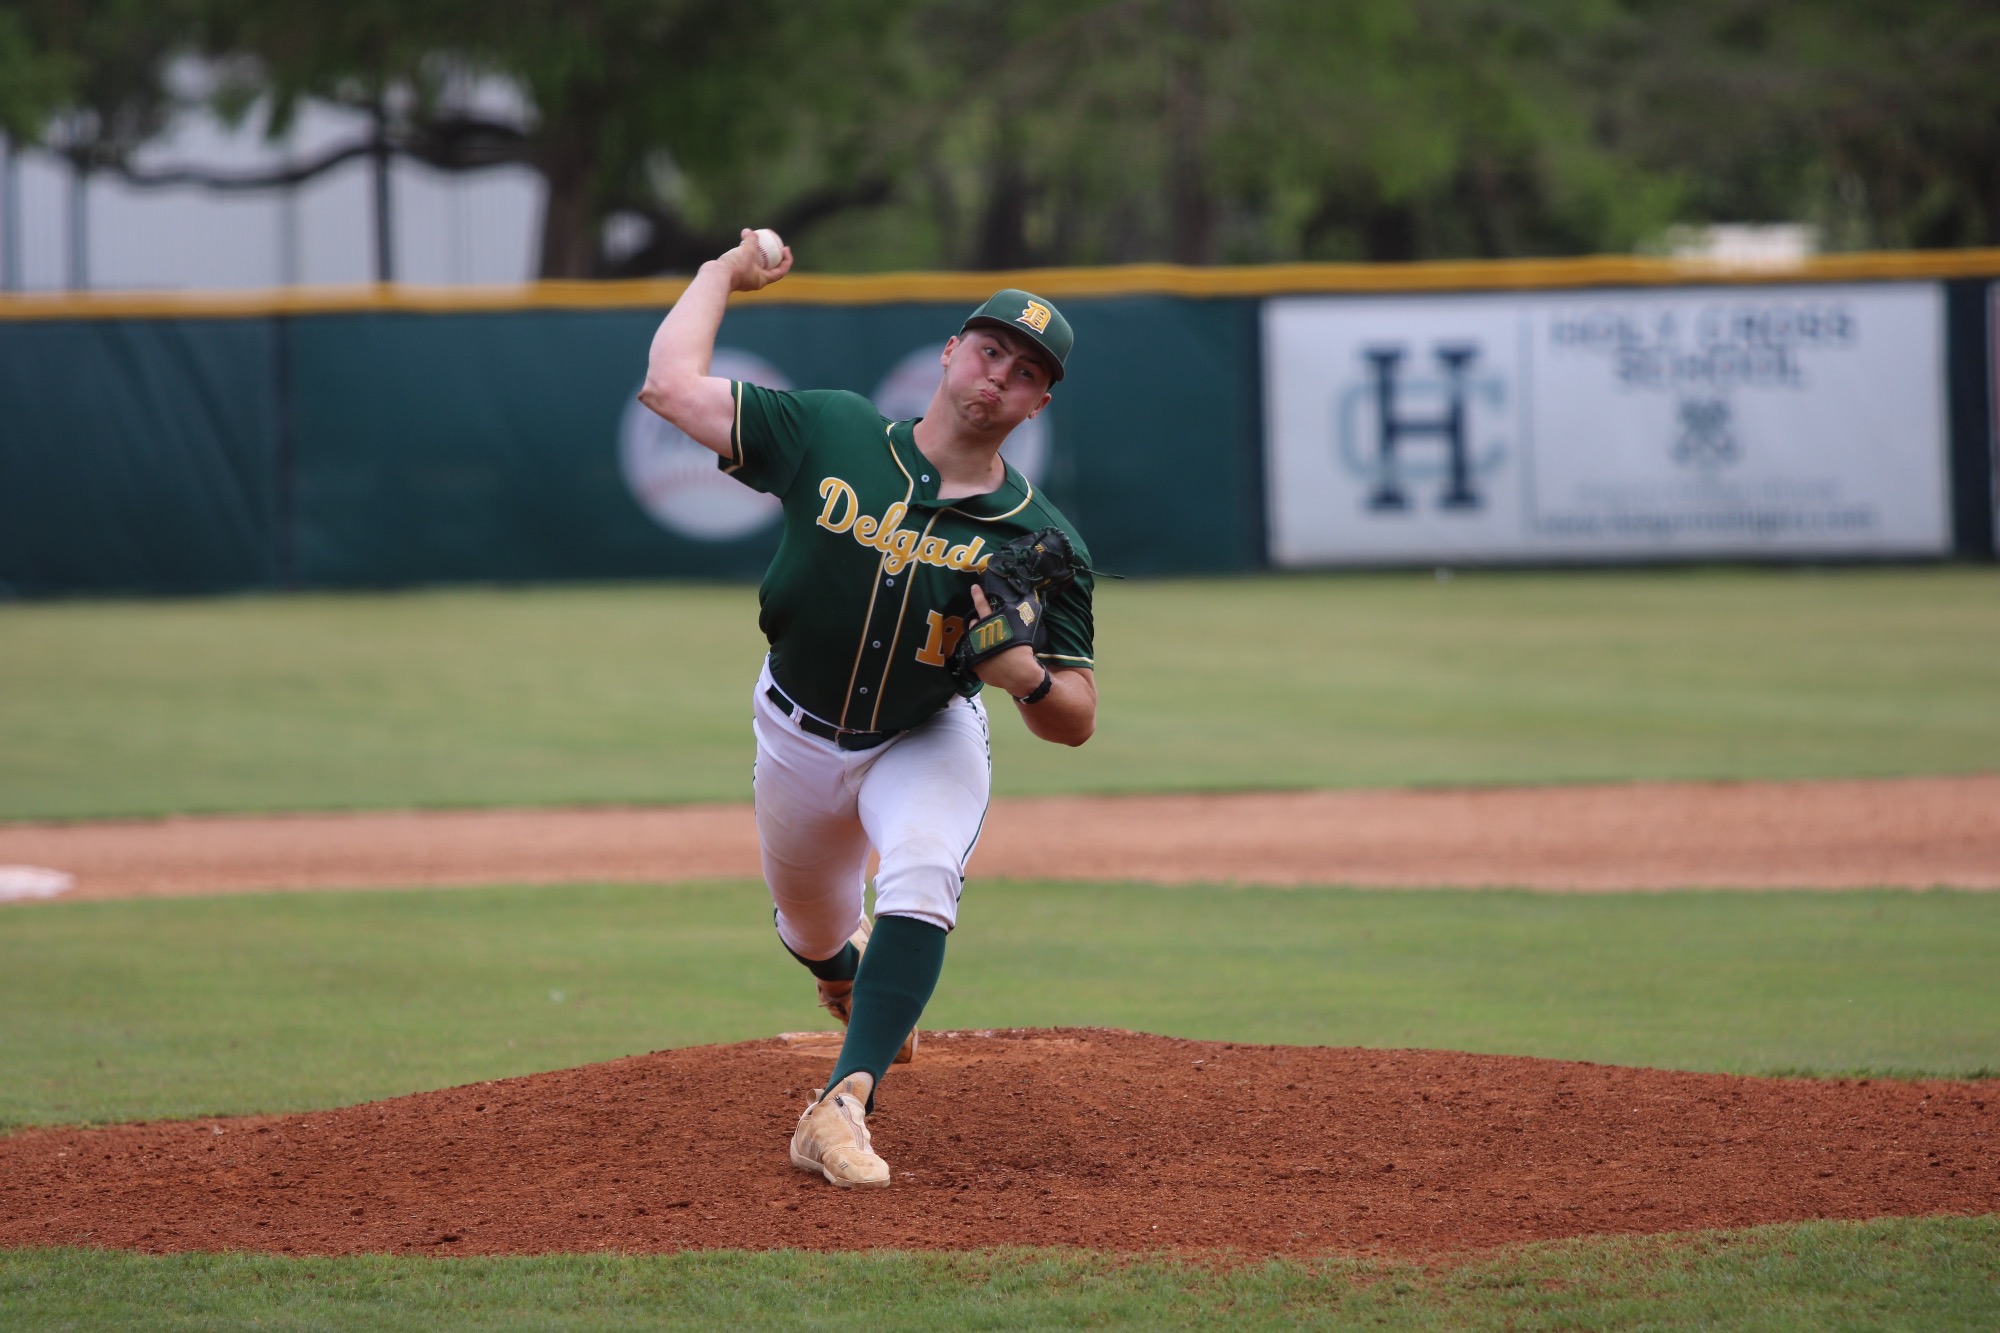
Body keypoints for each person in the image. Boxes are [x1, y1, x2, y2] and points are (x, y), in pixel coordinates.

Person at [637, 230, 1098, 1187]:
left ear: (1039, 403)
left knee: (924, 871)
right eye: (989, 351)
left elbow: (1077, 715)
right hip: (795, 732)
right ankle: (847, 971)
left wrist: (1026, 679)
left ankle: (842, 1102)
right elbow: (669, 387)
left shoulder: (1041, 537)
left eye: (1024, 373)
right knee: (812, 927)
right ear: (950, 352)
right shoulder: (834, 430)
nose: (998, 376)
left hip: (926, 731)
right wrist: (722, 272)